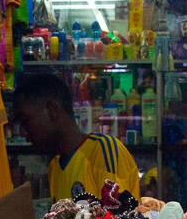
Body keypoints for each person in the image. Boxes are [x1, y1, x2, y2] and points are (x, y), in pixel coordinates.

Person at [12, 72, 140, 203]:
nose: (22, 132)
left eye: (26, 121)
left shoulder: (102, 150)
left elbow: (119, 218)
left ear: (52, 110)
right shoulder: (54, 167)